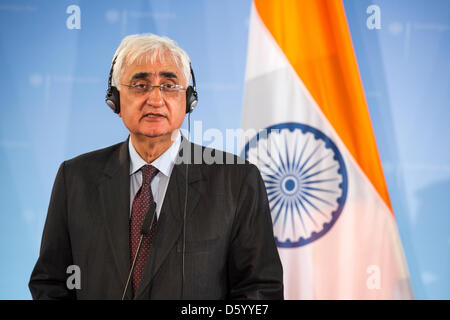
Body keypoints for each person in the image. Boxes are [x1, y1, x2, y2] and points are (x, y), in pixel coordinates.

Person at [29, 34, 283, 300]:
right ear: (115, 100)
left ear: (189, 100)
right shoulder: (76, 179)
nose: (155, 99)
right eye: (140, 85)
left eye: (169, 85)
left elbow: (260, 291)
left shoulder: (237, 181)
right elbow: (51, 282)